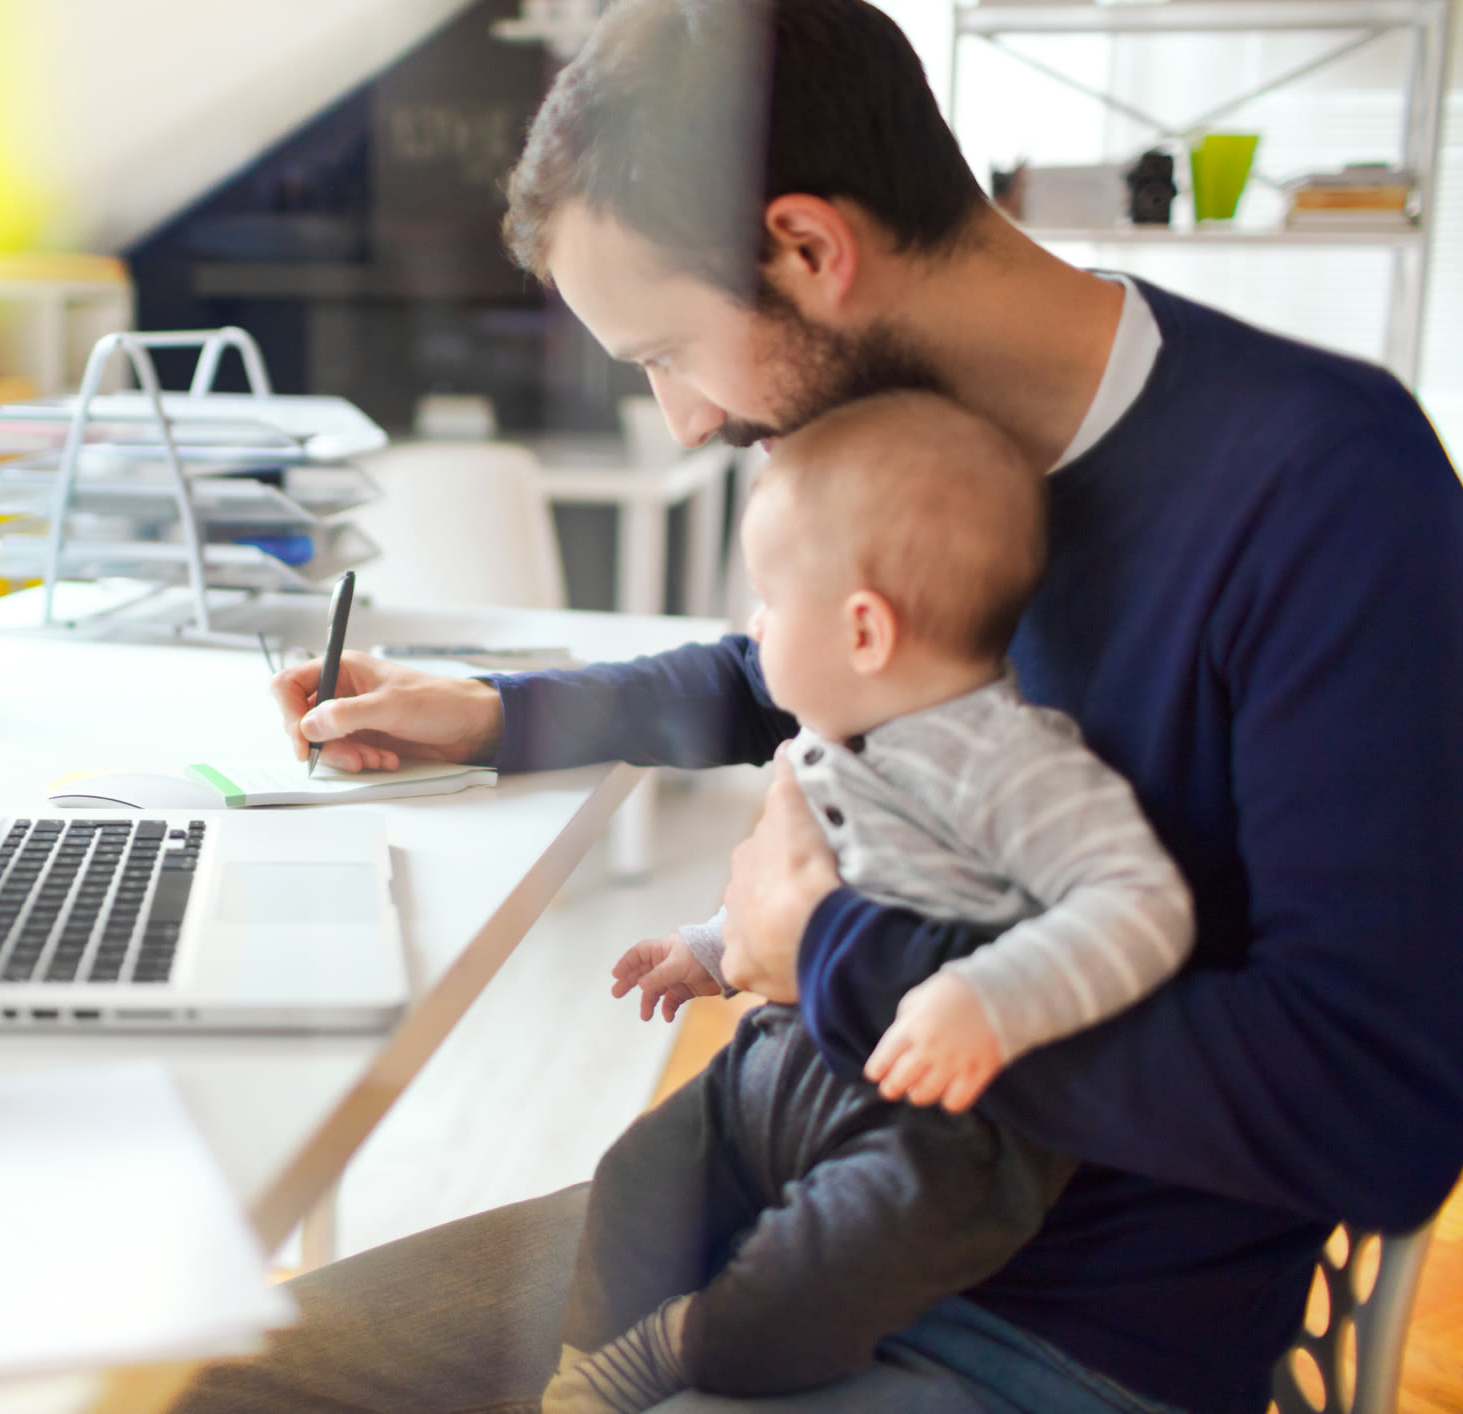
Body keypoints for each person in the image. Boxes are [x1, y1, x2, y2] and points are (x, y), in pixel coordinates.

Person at [178, 0, 1463, 1409]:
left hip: (1044, 1328)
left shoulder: (1330, 497)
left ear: (807, 247)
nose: (679, 418)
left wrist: (830, 949)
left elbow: (1377, 1118)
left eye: (666, 348)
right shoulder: (932, 438)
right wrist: (493, 713)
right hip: (786, 1193)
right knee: (238, 1382)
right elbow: (768, 670)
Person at [546, 390, 1193, 1412]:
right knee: (639, 1175)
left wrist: (992, 997)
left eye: (764, 600)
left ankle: (690, 1345)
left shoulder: (1010, 762)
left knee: (805, 1287)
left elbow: (1143, 903)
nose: (752, 629)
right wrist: (714, 947)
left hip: (935, 1132)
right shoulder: (832, 730)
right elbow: (808, 893)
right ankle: (592, 1368)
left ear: (863, 627)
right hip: (789, 1068)